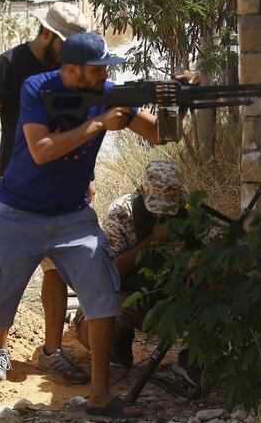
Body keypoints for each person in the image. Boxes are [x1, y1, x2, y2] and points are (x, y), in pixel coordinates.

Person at [0, 32, 160, 422]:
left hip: (73, 215)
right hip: (18, 214)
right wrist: (99, 124)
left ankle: (100, 396)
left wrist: (178, 101)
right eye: (96, 69)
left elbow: (157, 134)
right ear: (71, 69)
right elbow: (41, 150)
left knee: (103, 299)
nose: (104, 75)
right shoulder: (37, 87)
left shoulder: (106, 91)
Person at [0, 1, 90, 384]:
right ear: (49, 34)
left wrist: (83, 176)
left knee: (55, 273)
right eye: (68, 43)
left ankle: (51, 351)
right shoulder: (9, 64)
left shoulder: (69, 69)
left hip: (62, 192)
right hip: (17, 189)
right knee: (7, 272)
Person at [75, 160, 203, 388]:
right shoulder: (122, 212)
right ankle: (118, 346)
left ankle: (191, 359)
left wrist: (199, 259)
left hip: (175, 298)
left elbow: (213, 250)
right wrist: (153, 240)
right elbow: (109, 272)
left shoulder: (190, 211)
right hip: (131, 294)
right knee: (91, 330)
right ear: (142, 191)